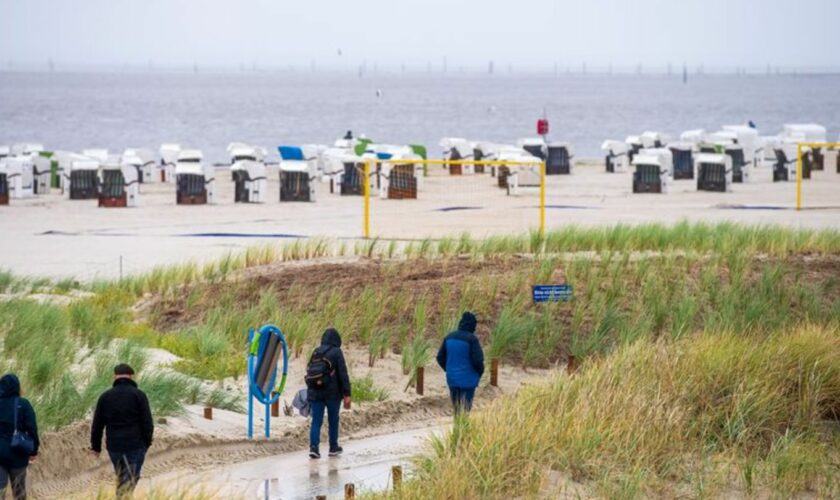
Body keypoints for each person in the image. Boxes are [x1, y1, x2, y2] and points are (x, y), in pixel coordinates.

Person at [90, 364, 154, 497]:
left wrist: (96, 447)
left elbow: (97, 425)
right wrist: (146, 443)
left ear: (115, 376)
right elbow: (147, 422)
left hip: (114, 446)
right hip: (135, 444)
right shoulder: (139, 395)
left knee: (123, 478)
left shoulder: (105, 397)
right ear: (132, 376)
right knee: (130, 479)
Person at [307, 328, 351, 459]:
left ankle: (314, 448)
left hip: (316, 392)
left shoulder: (316, 352)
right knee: (333, 420)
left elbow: (310, 372)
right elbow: (343, 374)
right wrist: (347, 393)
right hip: (332, 394)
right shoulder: (337, 352)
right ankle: (333, 447)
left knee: (316, 421)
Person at [0, 374, 39, 500]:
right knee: (19, 492)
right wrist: (34, 450)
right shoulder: (23, 404)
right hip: (18, 453)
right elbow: (32, 429)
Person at [437, 312, 485, 413]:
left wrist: (448, 369)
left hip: (452, 379)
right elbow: (478, 361)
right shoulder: (472, 339)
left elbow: (440, 357)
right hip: (468, 381)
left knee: (457, 410)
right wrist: (479, 373)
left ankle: (457, 428)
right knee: (465, 411)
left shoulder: (449, 337)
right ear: (473, 325)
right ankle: (463, 428)